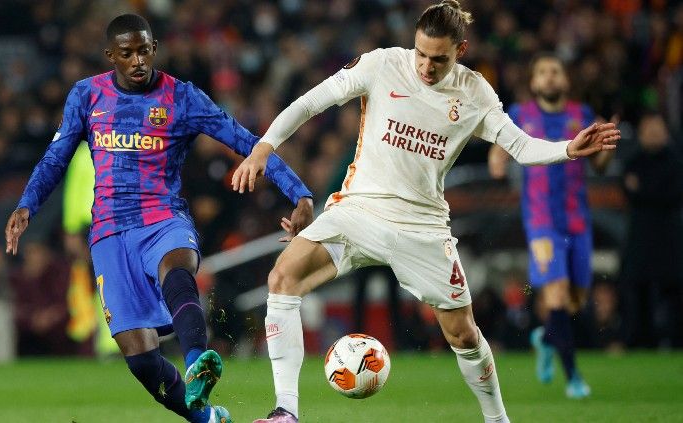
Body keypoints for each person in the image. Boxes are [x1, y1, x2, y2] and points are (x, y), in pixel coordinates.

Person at [232, 2, 619, 422]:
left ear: (461, 50)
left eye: (440, 58)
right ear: (413, 42)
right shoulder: (382, 65)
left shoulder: (475, 93)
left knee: (464, 335)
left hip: (423, 227)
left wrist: (568, 149)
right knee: (282, 277)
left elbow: (521, 146)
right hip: (360, 208)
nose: (427, 67)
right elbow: (311, 102)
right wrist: (263, 147)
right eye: (421, 53)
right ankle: (286, 411)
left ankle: (497, 419)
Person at [5, 14, 314, 423]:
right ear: (111, 56)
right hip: (110, 234)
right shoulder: (86, 95)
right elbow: (55, 158)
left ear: (154, 49)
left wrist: (301, 194)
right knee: (140, 359)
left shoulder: (182, 98)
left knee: (177, 269)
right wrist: (27, 204)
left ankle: (197, 362)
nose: (137, 61)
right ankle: (205, 418)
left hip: (163, 218)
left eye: (144, 50)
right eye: (127, 53)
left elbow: (248, 143)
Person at [487, 52, 613, 399]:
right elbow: (499, 147)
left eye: (555, 71)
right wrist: (497, 164)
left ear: (565, 80)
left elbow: (600, 164)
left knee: (575, 300)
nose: (550, 77)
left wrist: (607, 147)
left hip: (577, 220)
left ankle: (545, 338)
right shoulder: (519, 115)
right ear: (533, 82)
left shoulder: (581, 115)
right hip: (541, 222)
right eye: (542, 72)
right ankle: (573, 378)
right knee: (555, 294)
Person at [620, 112, 683, 348]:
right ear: (641, 133)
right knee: (638, 291)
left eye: (658, 128)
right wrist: (655, 190)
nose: (654, 133)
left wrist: (643, 189)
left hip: (671, 238)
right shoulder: (632, 162)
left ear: (666, 132)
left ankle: (677, 341)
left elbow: (674, 194)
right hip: (641, 237)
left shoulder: (676, 162)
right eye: (649, 128)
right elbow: (628, 192)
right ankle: (638, 341)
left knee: (675, 292)